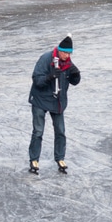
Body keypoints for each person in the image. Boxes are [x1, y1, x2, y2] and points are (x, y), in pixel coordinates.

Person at [28, 35, 81, 175]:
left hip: (57, 101)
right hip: (40, 100)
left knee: (60, 131)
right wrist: (50, 76)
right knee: (38, 131)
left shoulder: (68, 63)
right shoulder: (46, 59)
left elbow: (74, 81)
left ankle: (60, 158)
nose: (67, 55)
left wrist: (76, 76)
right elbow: (36, 80)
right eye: (65, 52)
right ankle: (34, 159)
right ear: (59, 50)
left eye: (70, 53)